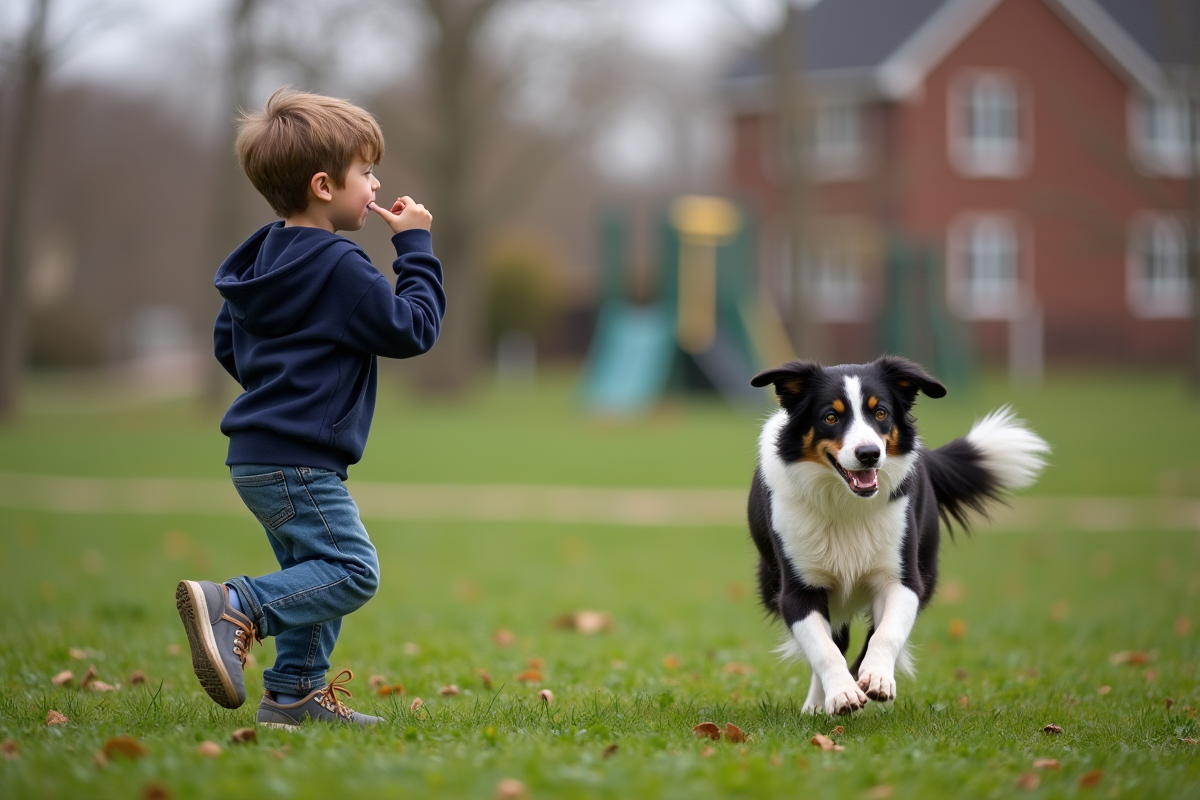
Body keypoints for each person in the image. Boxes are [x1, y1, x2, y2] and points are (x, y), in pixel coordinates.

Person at [175, 87, 446, 728]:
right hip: (300, 459)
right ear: (324, 185)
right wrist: (415, 247)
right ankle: (237, 606)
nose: (375, 185)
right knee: (350, 570)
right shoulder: (339, 265)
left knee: (312, 571)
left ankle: (294, 693)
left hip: (257, 454)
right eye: (366, 171)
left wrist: (278, 388)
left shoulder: (259, 260)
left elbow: (226, 342)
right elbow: (413, 329)